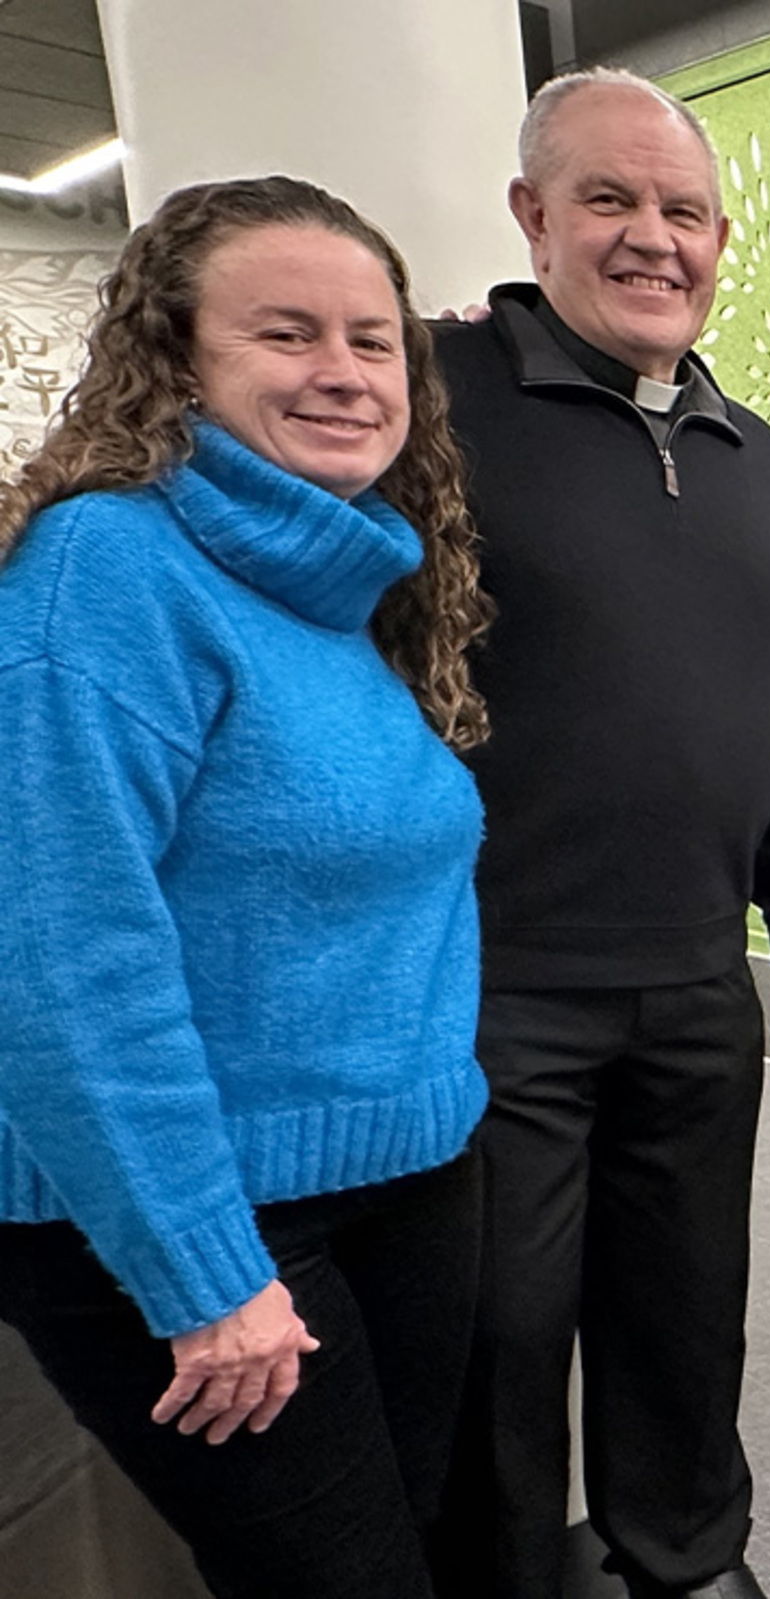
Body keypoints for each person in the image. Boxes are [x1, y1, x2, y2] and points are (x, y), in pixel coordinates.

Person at [0, 175, 492, 1599]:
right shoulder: (104, 570)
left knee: (408, 1549)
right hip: (208, 1208)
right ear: (176, 360)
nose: (343, 371)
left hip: (402, 1175)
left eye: (373, 339)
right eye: (286, 333)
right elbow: (60, 957)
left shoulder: (347, 585)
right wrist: (202, 1268)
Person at [430, 69, 770, 1599]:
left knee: (684, 1301)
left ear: (721, 241)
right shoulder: (431, 405)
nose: (653, 237)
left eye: (685, 211)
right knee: (501, 1328)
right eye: (610, 198)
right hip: (495, 977)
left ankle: (683, 1552)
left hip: (693, 970)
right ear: (532, 215)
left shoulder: (757, 454)